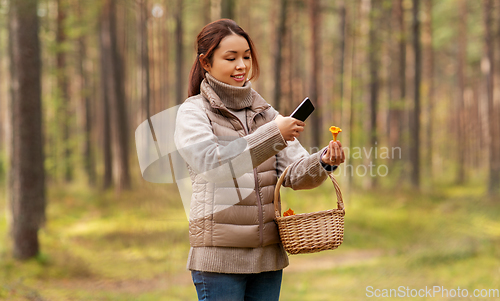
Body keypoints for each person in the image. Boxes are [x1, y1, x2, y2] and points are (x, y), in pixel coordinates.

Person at [174, 19, 345, 301]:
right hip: (219, 261)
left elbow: (294, 175)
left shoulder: (265, 113)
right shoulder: (193, 112)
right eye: (230, 58)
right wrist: (273, 134)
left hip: (268, 259)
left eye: (246, 56)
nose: (241, 65)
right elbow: (213, 164)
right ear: (206, 63)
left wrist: (324, 161)